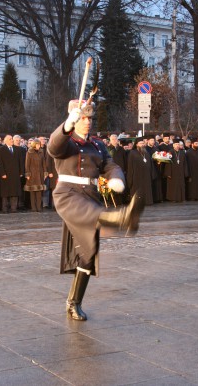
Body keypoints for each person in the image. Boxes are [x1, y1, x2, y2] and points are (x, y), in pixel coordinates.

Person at [47, 99, 144, 321]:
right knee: (94, 215)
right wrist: (65, 126)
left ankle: (73, 303)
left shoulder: (98, 145)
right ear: (74, 118)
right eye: (82, 117)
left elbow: (111, 166)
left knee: (88, 254)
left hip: (90, 195)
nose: (87, 122)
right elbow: (53, 146)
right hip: (68, 194)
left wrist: (116, 179)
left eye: (90, 118)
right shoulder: (67, 142)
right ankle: (121, 217)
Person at [0, 135, 24, 213]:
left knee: (14, 192)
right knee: (5, 193)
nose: (12, 140)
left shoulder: (17, 149)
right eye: (10, 139)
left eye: (12, 139)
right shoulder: (1, 150)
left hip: (15, 174)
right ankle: (5, 209)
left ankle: (13, 208)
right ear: (5, 141)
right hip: (6, 174)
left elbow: (21, 161)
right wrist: (2, 173)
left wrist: (21, 172)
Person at [127, 137, 153, 206]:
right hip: (137, 175)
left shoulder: (146, 152)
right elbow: (130, 166)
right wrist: (130, 176)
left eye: (143, 143)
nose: (142, 145)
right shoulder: (132, 153)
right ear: (136, 144)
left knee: (146, 188)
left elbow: (150, 163)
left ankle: (147, 201)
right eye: (140, 143)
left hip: (146, 175)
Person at [24, 139, 48, 212]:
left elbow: (43, 163)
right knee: (32, 192)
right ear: (34, 145)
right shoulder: (29, 152)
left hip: (40, 174)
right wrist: (27, 174)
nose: (39, 146)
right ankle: (34, 208)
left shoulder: (41, 152)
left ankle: (39, 207)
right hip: (32, 174)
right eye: (37, 144)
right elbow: (27, 164)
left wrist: (45, 172)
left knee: (39, 192)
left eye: (39, 144)